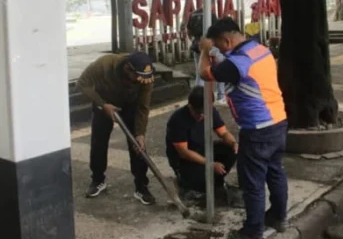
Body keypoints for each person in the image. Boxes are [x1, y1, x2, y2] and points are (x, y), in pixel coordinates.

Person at [199, 17, 288, 239]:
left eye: (218, 44)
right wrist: (218, 55)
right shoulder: (260, 50)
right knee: (276, 172)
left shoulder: (237, 63)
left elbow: (205, 73)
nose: (218, 48)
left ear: (227, 40)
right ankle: (279, 218)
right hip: (278, 121)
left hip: (257, 129)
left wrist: (204, 51)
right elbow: (233, 68)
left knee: (253, 183)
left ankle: (253, 233)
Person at [77, 52, 157, 205]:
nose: (140, 81)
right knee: (98, 142)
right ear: (128, 69)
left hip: (131, 105)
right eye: (137, 77)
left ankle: (141, 186)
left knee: (138, 146)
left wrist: (140, 133)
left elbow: (143, 106)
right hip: (104, 103)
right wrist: (102, 104)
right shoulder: (104, 64)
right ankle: (98, 179)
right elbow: (82, 84)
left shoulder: (145, 77)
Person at [166, 87, 238, 197]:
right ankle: (185, 184)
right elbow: (183, 152)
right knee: (201, 181)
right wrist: (210, 164)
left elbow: (223, 133)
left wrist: (233, 143)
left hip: (203, 150)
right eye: (199, 113)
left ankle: (216, 182)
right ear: (190, 106)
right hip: (185, 160)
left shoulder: (210, 111)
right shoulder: (178, 119)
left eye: (205, 113)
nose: (203, 116)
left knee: (231, 150)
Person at [187, 0, 226, 105]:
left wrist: (197, 41)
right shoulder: (211, 15)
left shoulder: (193, 14)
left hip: (196, 46)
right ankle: (221, 96)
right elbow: (217, 32)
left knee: (200, 74)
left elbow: (189, 31)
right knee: (221, 69)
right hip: (210, 47)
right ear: (212, 2)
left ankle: (197, 101)